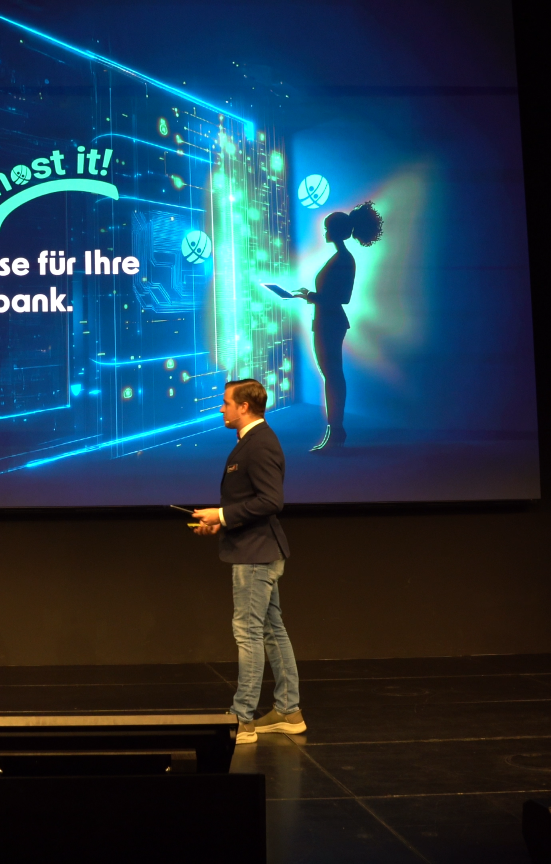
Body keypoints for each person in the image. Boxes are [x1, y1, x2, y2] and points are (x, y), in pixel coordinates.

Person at [192, 380, 306, 744]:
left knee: (248, 632)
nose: (221, 408)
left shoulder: (260, 444)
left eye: (226, 403)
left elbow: (271, 501)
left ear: (243, 407)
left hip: (256, 555)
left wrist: (223, 515)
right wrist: (220, 523)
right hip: (256, 549)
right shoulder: (252, 441)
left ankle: (242, 719)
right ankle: (288, 711)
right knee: (271, 629)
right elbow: (252, 501)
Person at [294, 201, 384, 451]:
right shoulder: (342, 257)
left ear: (335, 231)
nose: (325, 232)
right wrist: (310, 295)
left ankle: (336, 431)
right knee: (332, 375)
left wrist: (310, 296)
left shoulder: (343, 259)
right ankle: (335, 430)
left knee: (332, 376)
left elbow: (342, 297)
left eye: (327, 228)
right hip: (327, 321)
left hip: (330, 322)